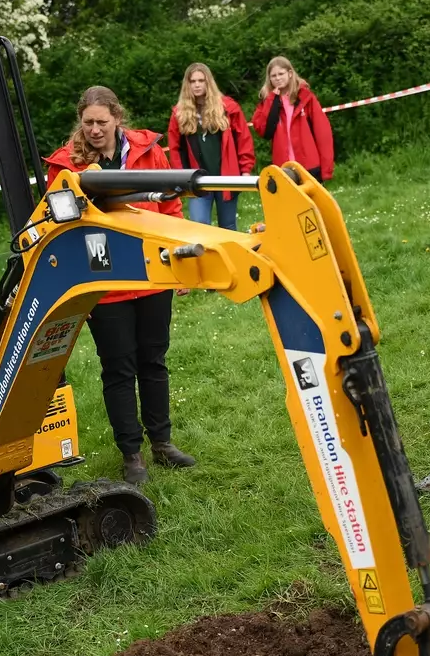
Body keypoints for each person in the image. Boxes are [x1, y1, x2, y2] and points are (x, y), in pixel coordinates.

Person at [44, 86, 197, 486]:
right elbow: (61, 228)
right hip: (104, 282)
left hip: (150, 275)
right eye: (88, 122)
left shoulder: (149, 152)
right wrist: (79, 289)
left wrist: (179, 264)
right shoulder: (65, 166)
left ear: (117, 119)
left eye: (102, 121)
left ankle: (162, 443)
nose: (95, 129)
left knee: (153, 360)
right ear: (81, 121)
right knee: (118, 367)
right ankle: (132, 455)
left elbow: (171, 207)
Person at [166, 62, 255, 230]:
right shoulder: (179, 113)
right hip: (197, 180)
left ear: (209, 82)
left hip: (227, 178)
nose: (197, 85)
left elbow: (243, 140)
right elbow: (175, 148)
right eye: (193, 81)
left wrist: (245, 170)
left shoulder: (229, 108)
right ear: (187, 85)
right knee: (200, 226)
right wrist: (180, 177)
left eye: (201, 80)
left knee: (228, 227)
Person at [251, 55, 334, 183]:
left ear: (290, 73)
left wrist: (326, 168)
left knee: (312, 203)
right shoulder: (267, 101)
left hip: (309, 165)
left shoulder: (306, 98)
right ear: (269, 79)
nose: (278, 78)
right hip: (284, 168)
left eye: (281, 74)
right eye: (274, 76)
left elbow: (323, 134)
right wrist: (271, 99)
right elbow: (263, 130)